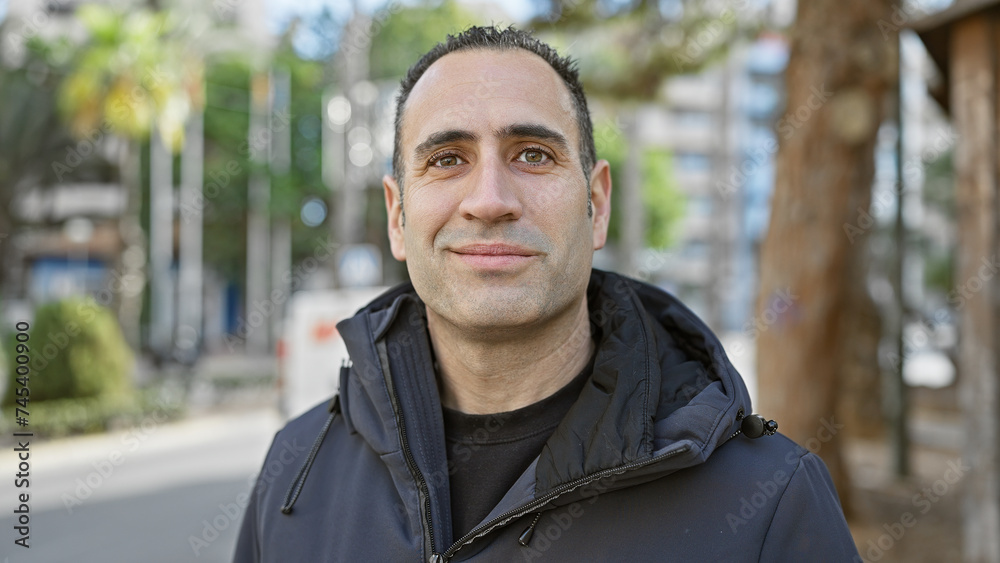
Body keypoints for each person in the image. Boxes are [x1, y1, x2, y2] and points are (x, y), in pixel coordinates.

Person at [233, 25, 860, 562]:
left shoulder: (771, 501)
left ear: (596, 204)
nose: (489, 201)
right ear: (397, 215)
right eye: (447, 159)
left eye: (532, 154)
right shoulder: (295, 471)